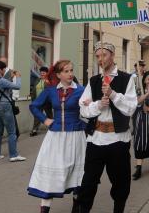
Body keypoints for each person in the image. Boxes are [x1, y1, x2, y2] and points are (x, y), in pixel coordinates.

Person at [73, 42, 137, 213]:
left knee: (120, 183)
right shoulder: (93, 81)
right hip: (96, 138)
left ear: (112, 55)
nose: (101, 59)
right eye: (98, 56)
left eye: (104, 55)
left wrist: (113, 94)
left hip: (117, 140)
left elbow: (130, 107)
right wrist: (98, 105)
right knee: (87, 183)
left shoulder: (126, 79)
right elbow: (84, 111)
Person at [28, 60, 86, 213]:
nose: (70, 74)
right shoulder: (51, 90)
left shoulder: (81, 90)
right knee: (51, 174)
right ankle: (44, 210)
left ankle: (76, 207)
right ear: (58, 74)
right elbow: (34, 106)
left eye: (71, 70)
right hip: (55, 138)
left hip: (76, 136)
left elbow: (90, 111)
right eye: (66, 71)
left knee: (76, 173)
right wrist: (46, 120)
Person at [0, 61, 26, 162]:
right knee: (12, 132)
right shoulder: (1, 80)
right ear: (0, 70)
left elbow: (4, 85)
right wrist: (18, 77)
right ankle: (13, 155)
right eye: (4, 69)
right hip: (5, 107)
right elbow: (17, 86)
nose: (4, 70)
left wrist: (10, 76)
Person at [30, 66, 53, 137]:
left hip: (46, 101)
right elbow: (33, 90)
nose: (42, 74)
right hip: (38, 101)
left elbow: (51, 90)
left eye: (44, 72)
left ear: (46, 73)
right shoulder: (37, 80)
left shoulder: (49, 81)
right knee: (37, 116)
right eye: (41, 72)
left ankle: (52, 127)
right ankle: (34, 130)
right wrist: (32, 98)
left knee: (49, 115)